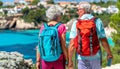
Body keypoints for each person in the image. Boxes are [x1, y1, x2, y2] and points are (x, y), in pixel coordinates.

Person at [68, 2, 113, 69]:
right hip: (96, 56)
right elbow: (103, 40)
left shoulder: (76, 23)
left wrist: (70, 60)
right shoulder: (97, 21)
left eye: (78, 9)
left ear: (83, 10)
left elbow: (72, 44)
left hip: (81, 58)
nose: (77, 12)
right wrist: (109, 53)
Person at [36, 5, 68, 69]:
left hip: (45, 58)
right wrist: (68, 59)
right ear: (58, 15)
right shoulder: (61, 27)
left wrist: (38, 61)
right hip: (59, 58)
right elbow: (63, 45)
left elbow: (39, 45)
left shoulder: (43, 27)